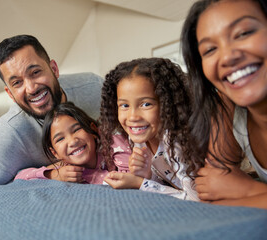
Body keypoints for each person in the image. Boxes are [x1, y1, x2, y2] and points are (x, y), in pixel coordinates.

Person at [0, 35, 104, 188]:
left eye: (35, 72)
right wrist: (50, 175)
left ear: (54, 69)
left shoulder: (95, 89)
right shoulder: (10, 131)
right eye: (17, 83)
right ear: (10, 94)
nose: (31, 88)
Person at [181, 0, 267, 209]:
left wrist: (247, 190)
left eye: (243, 33)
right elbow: (212, 189)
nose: (227, 56)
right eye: (210, 49)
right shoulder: (227, 106)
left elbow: (228, 190)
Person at [100, 58, 199, 201]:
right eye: (124, 105)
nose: (133, 117)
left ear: (168, 104)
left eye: (146, 104)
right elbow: (171, 184)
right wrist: (148, 175)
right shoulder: (137, 136)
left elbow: (197, 200)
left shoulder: (178, 142)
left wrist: (141, 183)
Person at [15, 102, 108, 184]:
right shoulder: (62, 169)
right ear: (55, 153)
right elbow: (20, 177)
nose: (72, 141)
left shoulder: (112, 152)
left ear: (93, 130)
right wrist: (53, 175)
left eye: (77, 129)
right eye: (60, 139)